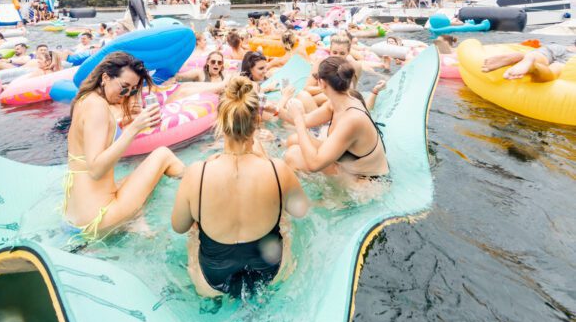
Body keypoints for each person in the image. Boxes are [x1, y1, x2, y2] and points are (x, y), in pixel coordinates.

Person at [171, 76, 308, 297]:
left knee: (193, 232)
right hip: (272, 272)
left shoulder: (197, 172)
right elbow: (302, 210)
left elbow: (179, 226)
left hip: (211, 280)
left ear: (220, 120)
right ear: (256, 122)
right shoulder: (278, 169)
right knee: (285, 219)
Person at [64, 52, 184, 239]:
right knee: (163, 154)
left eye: (133, 90)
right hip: (100, 218)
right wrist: (134, 128)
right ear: (105, 77)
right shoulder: (98, 109)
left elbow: (93, 140)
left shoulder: (86, 99)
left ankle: (137, 221)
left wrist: (127, 122)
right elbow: (96, 169)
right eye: (124, 87)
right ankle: (197, 186)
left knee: (138, 176)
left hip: (77, 215)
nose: (127, 94)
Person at [283, 57, 388, 178]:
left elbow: (314, 164)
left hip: (366, 183)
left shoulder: (352, 119)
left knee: (293, 155)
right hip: (351, 167)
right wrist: (275, 109)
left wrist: (297, 119)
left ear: (321, 83)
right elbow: (306, 120)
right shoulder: (341, 102)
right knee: (294, 140)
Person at [481, 41, 576, 81]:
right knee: (551, 74)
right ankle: (533, 67)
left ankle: (524, 58)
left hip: (558, 47)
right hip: (572, 58)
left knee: (539, 56)